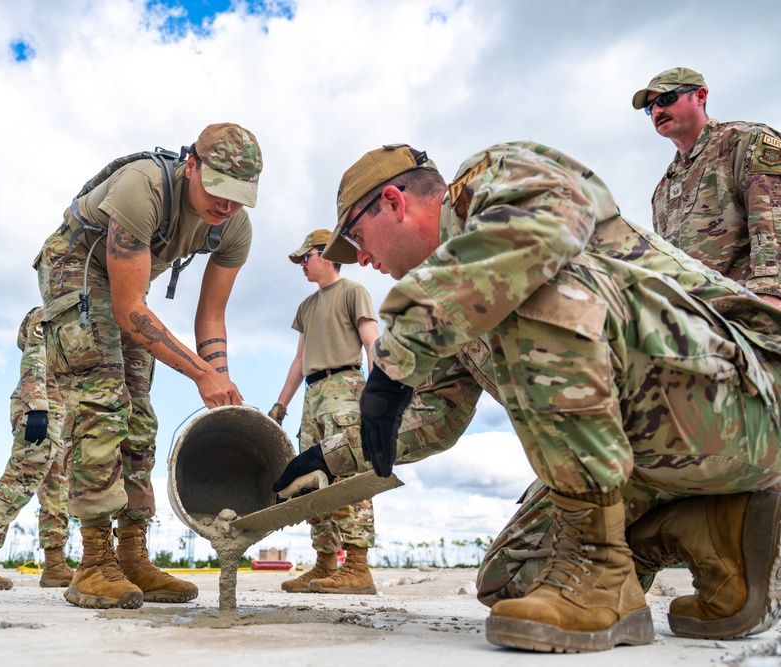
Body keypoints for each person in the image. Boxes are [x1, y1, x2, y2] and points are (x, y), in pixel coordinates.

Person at [272, 143, 781, 653]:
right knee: (512, 579)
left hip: (746, 397)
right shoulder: (450, 304)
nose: (362, 258)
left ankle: (600, 570)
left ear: (393, 201)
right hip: (660, 445)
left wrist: (395, 355)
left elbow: (543, 237)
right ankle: (714, 536)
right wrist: (329, 457)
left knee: (528, 283)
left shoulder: (492, 182)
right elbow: (433, 416)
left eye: (358, 237)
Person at [35, 122, 263, 609]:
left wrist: (218, 378)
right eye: (218, 189)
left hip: (128, 290)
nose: (226, 206)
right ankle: (94, 563)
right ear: (192, 165)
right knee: (103, 402)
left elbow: (212, 315)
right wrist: (200, 374)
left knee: (140, 418)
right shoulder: (144, 187)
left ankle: (134, 555)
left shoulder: (234, 227)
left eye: (239, 196)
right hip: (76, 268)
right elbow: (129, 311)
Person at [268, 229, 379, 595]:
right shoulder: (307, 307)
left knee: (347, 473)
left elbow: (371, 343)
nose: (302, 264)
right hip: (313, 395)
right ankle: (325, 563)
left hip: (346, 389)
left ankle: (358, 568)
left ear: (327, 254)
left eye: (306, 256)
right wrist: (280, 406)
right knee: (310, 479)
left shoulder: (353, 292)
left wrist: (382, 395)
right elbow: (299, 362)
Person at [632, 67, 781, 308]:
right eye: (650, 108)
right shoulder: (663, 189)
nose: (657, 110)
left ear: (700, 96)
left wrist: (771, 295)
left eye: (666, 99)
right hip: (700, 325)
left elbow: (773, 220)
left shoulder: (745, 141)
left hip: (752, 313)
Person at [0, 306, 72, 590]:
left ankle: (56, 565)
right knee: (21, 479)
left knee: (58, 489)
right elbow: (34, 355)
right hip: (42, 406)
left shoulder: (80, 310)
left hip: (61, 409)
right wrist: (36, 407)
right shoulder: (51, 311)